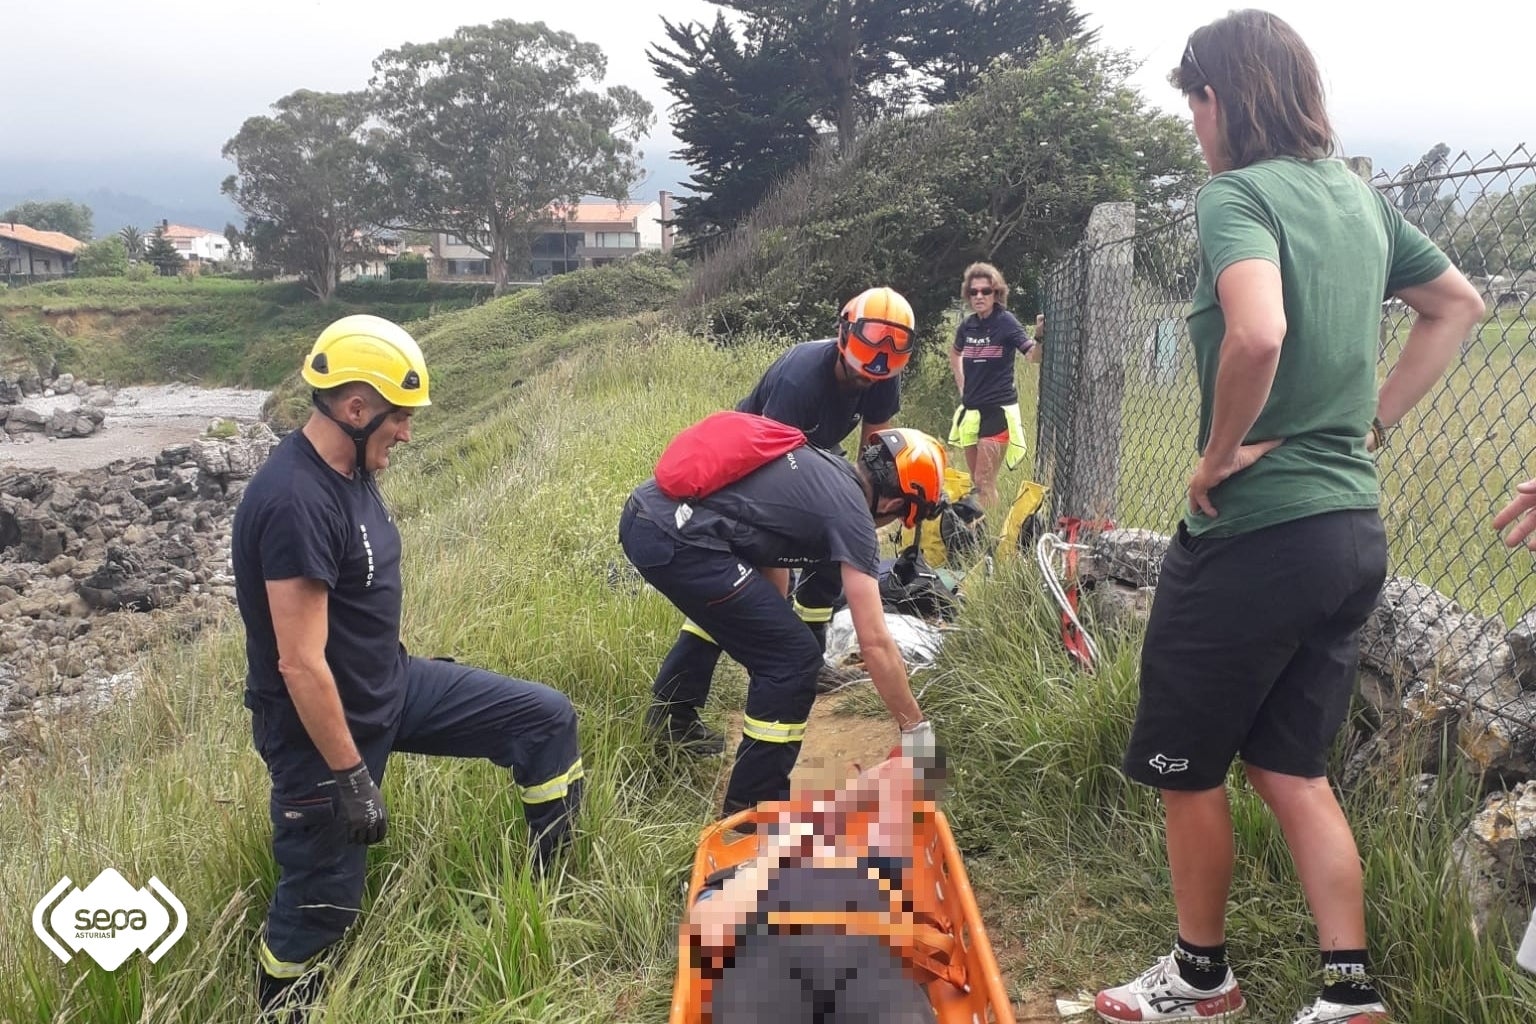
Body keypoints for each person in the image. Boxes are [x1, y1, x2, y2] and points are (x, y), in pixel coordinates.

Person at [1094, 11, 1485, 1024]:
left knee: (1186, 767)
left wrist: (1218, 454)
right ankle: (1347, 993)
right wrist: (1373, 425)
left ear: (1221, 98)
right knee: (1288, 764)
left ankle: (1199, 975)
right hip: (1352, 533)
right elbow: (1458, 303)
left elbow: (1258, 331)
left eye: (1194, 101)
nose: (1192, 124)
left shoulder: (1236, 196)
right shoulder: (1356, 199)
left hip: (1255, 535)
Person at [234, 315, 584, 1018]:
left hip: (391, 687)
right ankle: (283, 1008)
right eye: (399, 417)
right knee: (319, 911)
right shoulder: (294, 500)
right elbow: (300, 665)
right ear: (355, 409)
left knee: (545, 720)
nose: (408, 432)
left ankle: (553, 892)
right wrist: (351, 779)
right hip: (324, 740)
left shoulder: (351, 470)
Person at [646, 287, 917, 756]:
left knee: (834, 555)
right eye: (864, 361)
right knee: (740, 597)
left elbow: (873, 459)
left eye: (888, 360)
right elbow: (766, 474)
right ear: (843, 336)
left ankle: (810, 657)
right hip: (745, 476)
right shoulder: (800, 381)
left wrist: (855, 520)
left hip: (806, 462)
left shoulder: (880, 374)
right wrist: (771, 621)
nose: (873, 372)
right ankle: (673, 711)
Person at [620, 425, 945, 815]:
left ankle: (672, 721)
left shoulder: (826, 469)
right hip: (676, 537)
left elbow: (766, 540)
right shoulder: (855, 518)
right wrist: (915, 729)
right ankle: (750, 812)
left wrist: (769, 632)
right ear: (894, 505)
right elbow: (875, 643)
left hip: (652, 517)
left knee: (773, 643)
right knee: (794, 661)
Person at [687, 755, 938, 1023]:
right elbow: (707, 935)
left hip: (859, 966)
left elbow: (903, 777)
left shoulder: (866, 871)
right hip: (769, 972)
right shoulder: (735, 878)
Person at [947, 262, 1037, 509]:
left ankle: (986, 536)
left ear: (996, 293)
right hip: (971, 412)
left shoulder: (1006, 322)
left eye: (985, 291)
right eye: (973, 292)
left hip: (998, 410)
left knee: (985, 480)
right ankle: (978, 528)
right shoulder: (968, 325)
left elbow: (1032, 356)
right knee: (976, 482)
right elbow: (955, 353)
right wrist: (962, 385)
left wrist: (1039, 338)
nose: (979, 296)